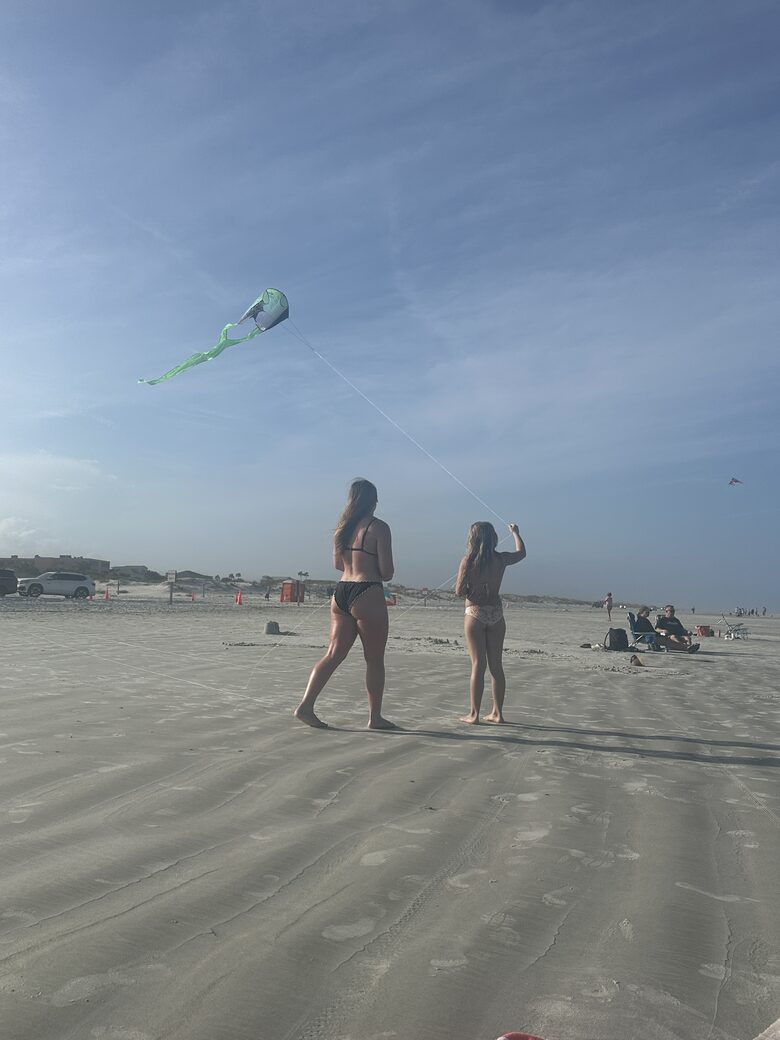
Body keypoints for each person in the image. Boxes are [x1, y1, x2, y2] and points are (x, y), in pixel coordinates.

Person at [294, 479, 397, 730]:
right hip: (367, 590)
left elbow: (338, 565)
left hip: (341, 592)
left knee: (333, 654)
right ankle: (375, 717)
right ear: (373, 501)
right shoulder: (378, 527)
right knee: (374, 660)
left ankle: (306, 705)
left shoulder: (341, 529)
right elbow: (387, 572)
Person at [455, 521, 526, 724]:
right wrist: (515, 533)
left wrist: (470, 588)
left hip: (475, 613)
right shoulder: (500, 559)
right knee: (496, 666)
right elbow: (521, 553)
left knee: (478, 665)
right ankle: (498, 713)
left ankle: (474, 714)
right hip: (495, 614)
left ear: (473, 538)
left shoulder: (468, 560)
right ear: (493, 538)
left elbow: (459, 591)